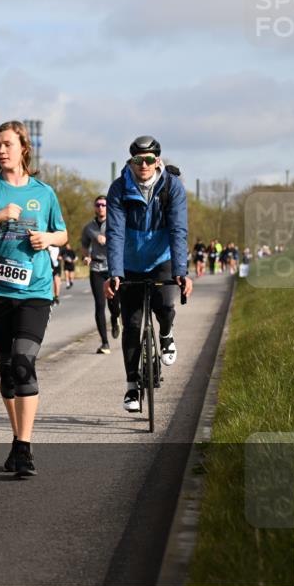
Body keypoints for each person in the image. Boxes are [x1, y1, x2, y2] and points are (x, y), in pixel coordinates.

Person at [0, 120, 68, 478]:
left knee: (23, 362)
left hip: (35, 291)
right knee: (7, 373)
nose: (2, 150)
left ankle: (24, 447)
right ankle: (17, 439)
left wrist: (48, 239)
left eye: (8, 144)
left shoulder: (44, 192)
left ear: (24, 148)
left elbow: (62, 233)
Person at [104, 136, 193, 414]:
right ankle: (132, 386)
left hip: (161, 260)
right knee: (131, 325)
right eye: (137, 160)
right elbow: (115, 233)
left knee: (165, 305)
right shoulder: (119, 188)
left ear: (157, 161)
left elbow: (178, 230)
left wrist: (180, 272)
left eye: (149, 159)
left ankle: (166, 334)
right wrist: (115, 272)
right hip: (130, 263)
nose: (143, 165)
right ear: (130, 162)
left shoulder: (172, 186)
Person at [81, 195, 121, 354]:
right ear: (94, 207)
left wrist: (108, 238)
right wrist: (86, 257)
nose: (101, 207)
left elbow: (122, 241)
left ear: (108, 207)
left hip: (113, 269)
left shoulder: (115, 223)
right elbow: (84, 246)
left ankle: (115, 317)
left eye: (104, 205)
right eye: (98, 204)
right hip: (96, 269)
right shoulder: (89, 227)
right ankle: (105, 343)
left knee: (114, 303)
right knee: (99, 305)